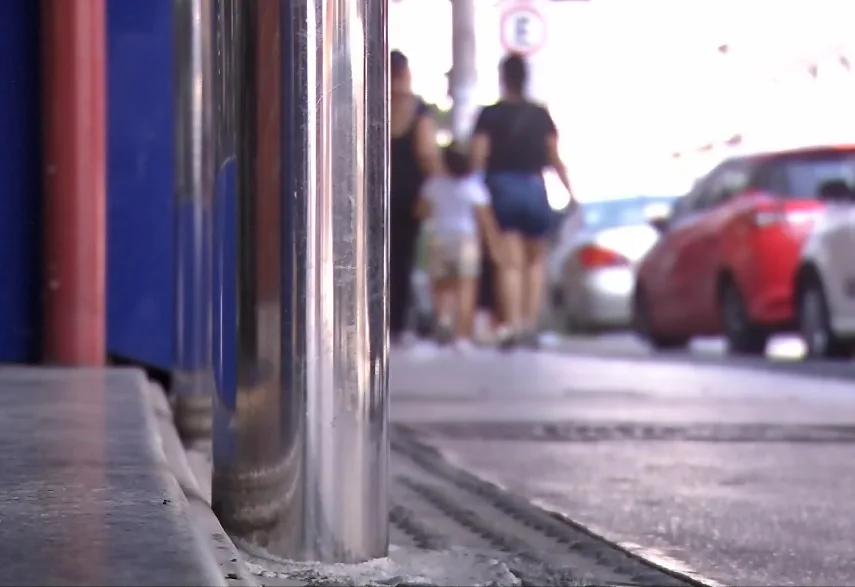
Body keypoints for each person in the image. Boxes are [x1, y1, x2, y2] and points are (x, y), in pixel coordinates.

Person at [470, 53, 576, 349]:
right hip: (534, 187)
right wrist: (571, 194)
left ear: (503, 78)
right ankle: (530, 325)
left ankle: (512, 325)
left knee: (509, 262)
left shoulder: (489, 115)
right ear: (525, 78)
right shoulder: (540, 115)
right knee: (535, 261)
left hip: (501, 187)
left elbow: (478, 156)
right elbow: (555, 158)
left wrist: (474, 188)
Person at [418, 144, 502, 350]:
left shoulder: (434, 184)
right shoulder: (474, 186)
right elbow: (486, 220)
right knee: (466, 288)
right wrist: (494, 246)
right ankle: (462, 336)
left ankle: (443, 320)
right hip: (466, 238)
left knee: (441, 286)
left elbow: (420, 210)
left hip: (439, 237)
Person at [389, 50, 443, 347]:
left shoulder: (372, 103)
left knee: (377, 259)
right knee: (404, 258)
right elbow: (426, 154)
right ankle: (398, 323)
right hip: (412, 197)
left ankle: (377, 320)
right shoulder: (418, 110)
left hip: (378, 196)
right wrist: (436, 190)